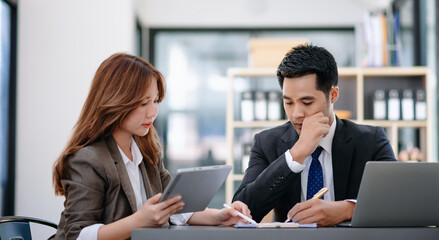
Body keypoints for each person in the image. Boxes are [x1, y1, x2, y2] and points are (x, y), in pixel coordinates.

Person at [52, 53, 250, 240]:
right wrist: (138, 221)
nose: (153, 113)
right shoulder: (89, 158)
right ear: (116, 101)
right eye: (143, 104)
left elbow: (174, 209)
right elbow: (77, 235)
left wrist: (219, 216)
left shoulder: (146, 152)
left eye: (155, 101)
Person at [233, 44, 396, 226]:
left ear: (333, 95)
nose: (296, 114)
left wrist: (346, 210)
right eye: (288, 102)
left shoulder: (371, 140)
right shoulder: (266, 142)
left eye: (307, 102)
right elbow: (244, 211)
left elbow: (397, 202)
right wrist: (297, 153)